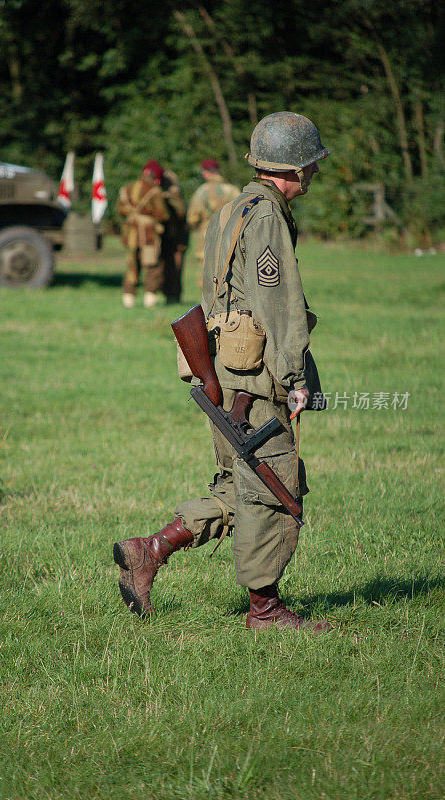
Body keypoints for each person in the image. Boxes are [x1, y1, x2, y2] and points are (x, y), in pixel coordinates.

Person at [114, 112, 333, 632]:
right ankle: (265, 609)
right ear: (295, 168)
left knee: (239, 487)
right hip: (254, 377)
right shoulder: (267, 218)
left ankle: (150, 550)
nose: (315, 175)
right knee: (274, 489)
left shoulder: (235, 207)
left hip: (222, 372)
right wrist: (297, 379)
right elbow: (279, 305)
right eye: (312, 166)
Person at [117, 160, 169, 308]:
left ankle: (128, 298)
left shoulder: (127, 188)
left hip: (130, 234)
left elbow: (120, 210)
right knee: (152, 266)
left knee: (131, 264)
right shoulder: (154, 191)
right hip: (148, 235)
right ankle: (149, 298)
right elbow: (162, 214)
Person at [186, 159, 240, 285]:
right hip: (229, 237)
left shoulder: (201, 192)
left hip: (207, 237)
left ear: (205, 173)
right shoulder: (232, 190)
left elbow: (192, 218)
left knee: (206, 277)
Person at [160, 168, 189, 304]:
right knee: (164, 269)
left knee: (175, 269)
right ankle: (167, 295)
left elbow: (181, 213)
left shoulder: (174, 198)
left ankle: (174, 296)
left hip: (176, 240)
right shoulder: (158, 195)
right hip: (164, 239)